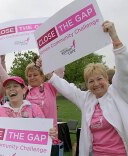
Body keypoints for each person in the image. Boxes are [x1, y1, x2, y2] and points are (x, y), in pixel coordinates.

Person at [41, 21, 128, 155]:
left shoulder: (118, 92)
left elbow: (123, 70)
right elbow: (67, 88)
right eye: (90, 81)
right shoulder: (87, 98)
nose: (96, 84)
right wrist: (48, 72)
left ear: (107, 79)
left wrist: (115, 38)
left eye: (99, 79)